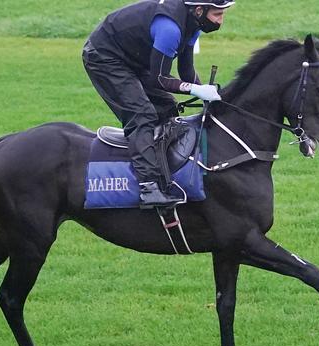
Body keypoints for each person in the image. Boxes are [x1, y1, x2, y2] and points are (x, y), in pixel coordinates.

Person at [83, 0, 235, 208]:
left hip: (132, 57)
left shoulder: (193, 24)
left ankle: (166, 171)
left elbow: (186, 72)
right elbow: (159, 79)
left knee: (167, 108)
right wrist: (195, 90)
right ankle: (149, 187)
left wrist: (205, 93)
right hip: (104, 56)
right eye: (217, 14)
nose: (220, 20)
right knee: (142, 114)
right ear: (199, 10)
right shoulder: (170, 28)